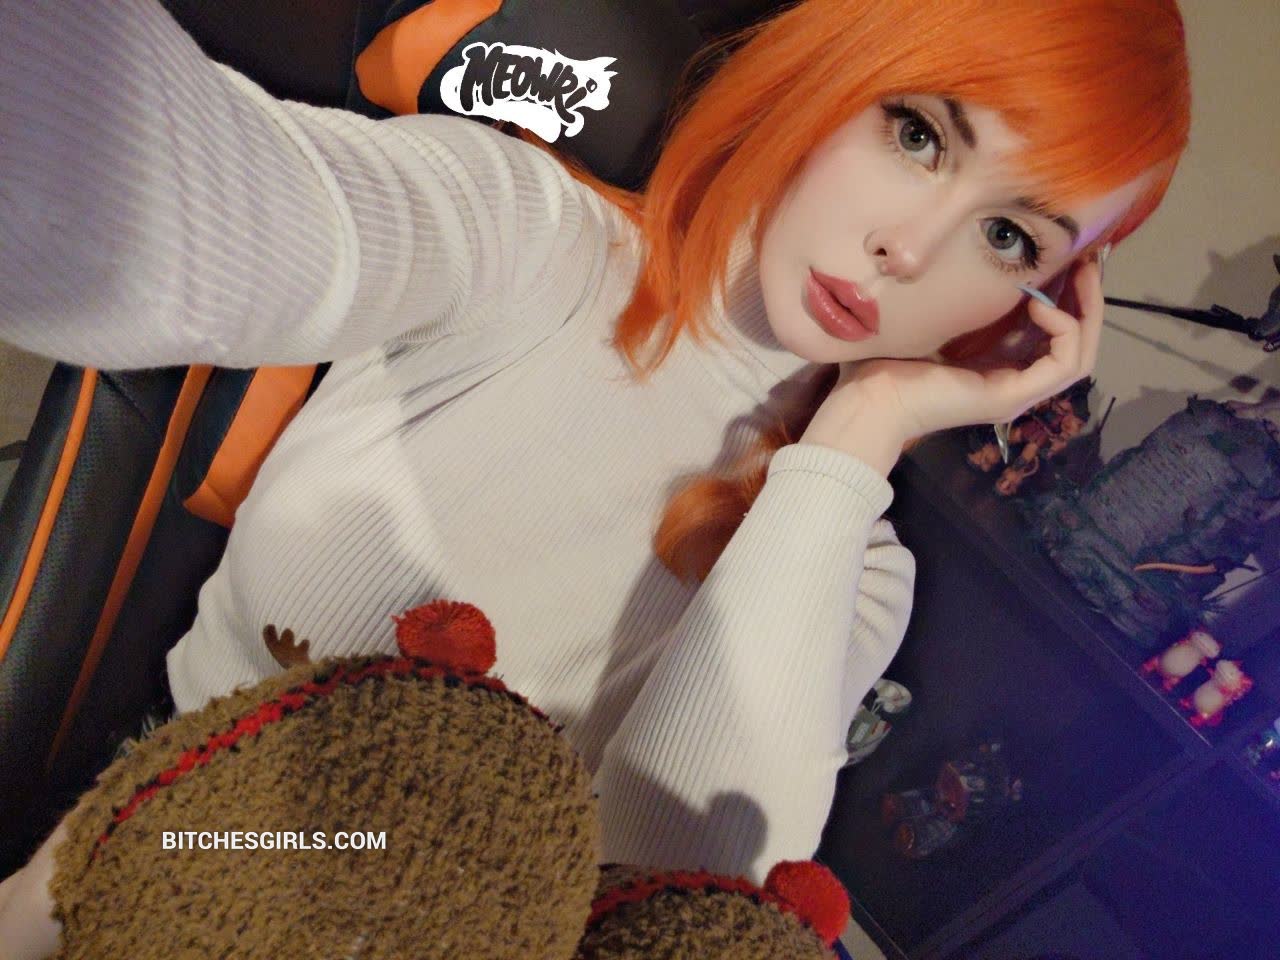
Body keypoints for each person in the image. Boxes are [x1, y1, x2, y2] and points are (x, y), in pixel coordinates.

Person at [0, 0, 1190, 953]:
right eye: (918, 134)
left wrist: (856, 439)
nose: (909, 249)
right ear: (829, 71)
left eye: (1007, 237)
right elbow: (172, 214)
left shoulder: (850, 561)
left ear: (1034, 309)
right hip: (167, 863)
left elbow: (670, 904)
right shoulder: (528, 238)